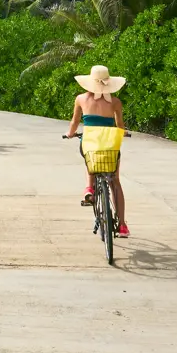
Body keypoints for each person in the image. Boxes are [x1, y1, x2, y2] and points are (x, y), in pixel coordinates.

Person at [64, 64, 128, 237]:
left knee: (89, 159)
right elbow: (120, 125)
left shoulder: (81, 99)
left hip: (90, 143)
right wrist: (123, 133)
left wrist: (70, 134)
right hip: (109, 144)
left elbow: (74, 123)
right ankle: (122, 225)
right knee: (115, 180)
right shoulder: (115, 102)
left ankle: (89, 189)